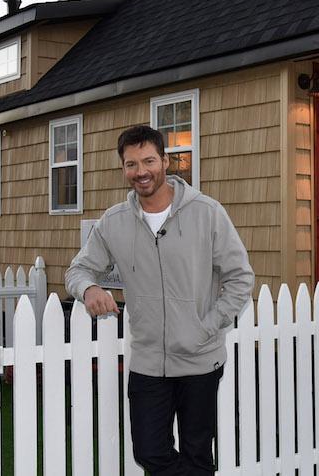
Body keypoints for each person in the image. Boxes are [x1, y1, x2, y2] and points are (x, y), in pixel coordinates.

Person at [65, 125, 254, 475]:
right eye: (131, 164)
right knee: (150, 452)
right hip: (148, 363)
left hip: (200, 360)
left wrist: (206, 328)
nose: (141, 172)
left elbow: (241, 277)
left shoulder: (207, 212)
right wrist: (89, 289)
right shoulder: (114, 222)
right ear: (123, 168)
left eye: (149, 160)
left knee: (197, 453)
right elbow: (78, 270)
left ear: (166, 161)